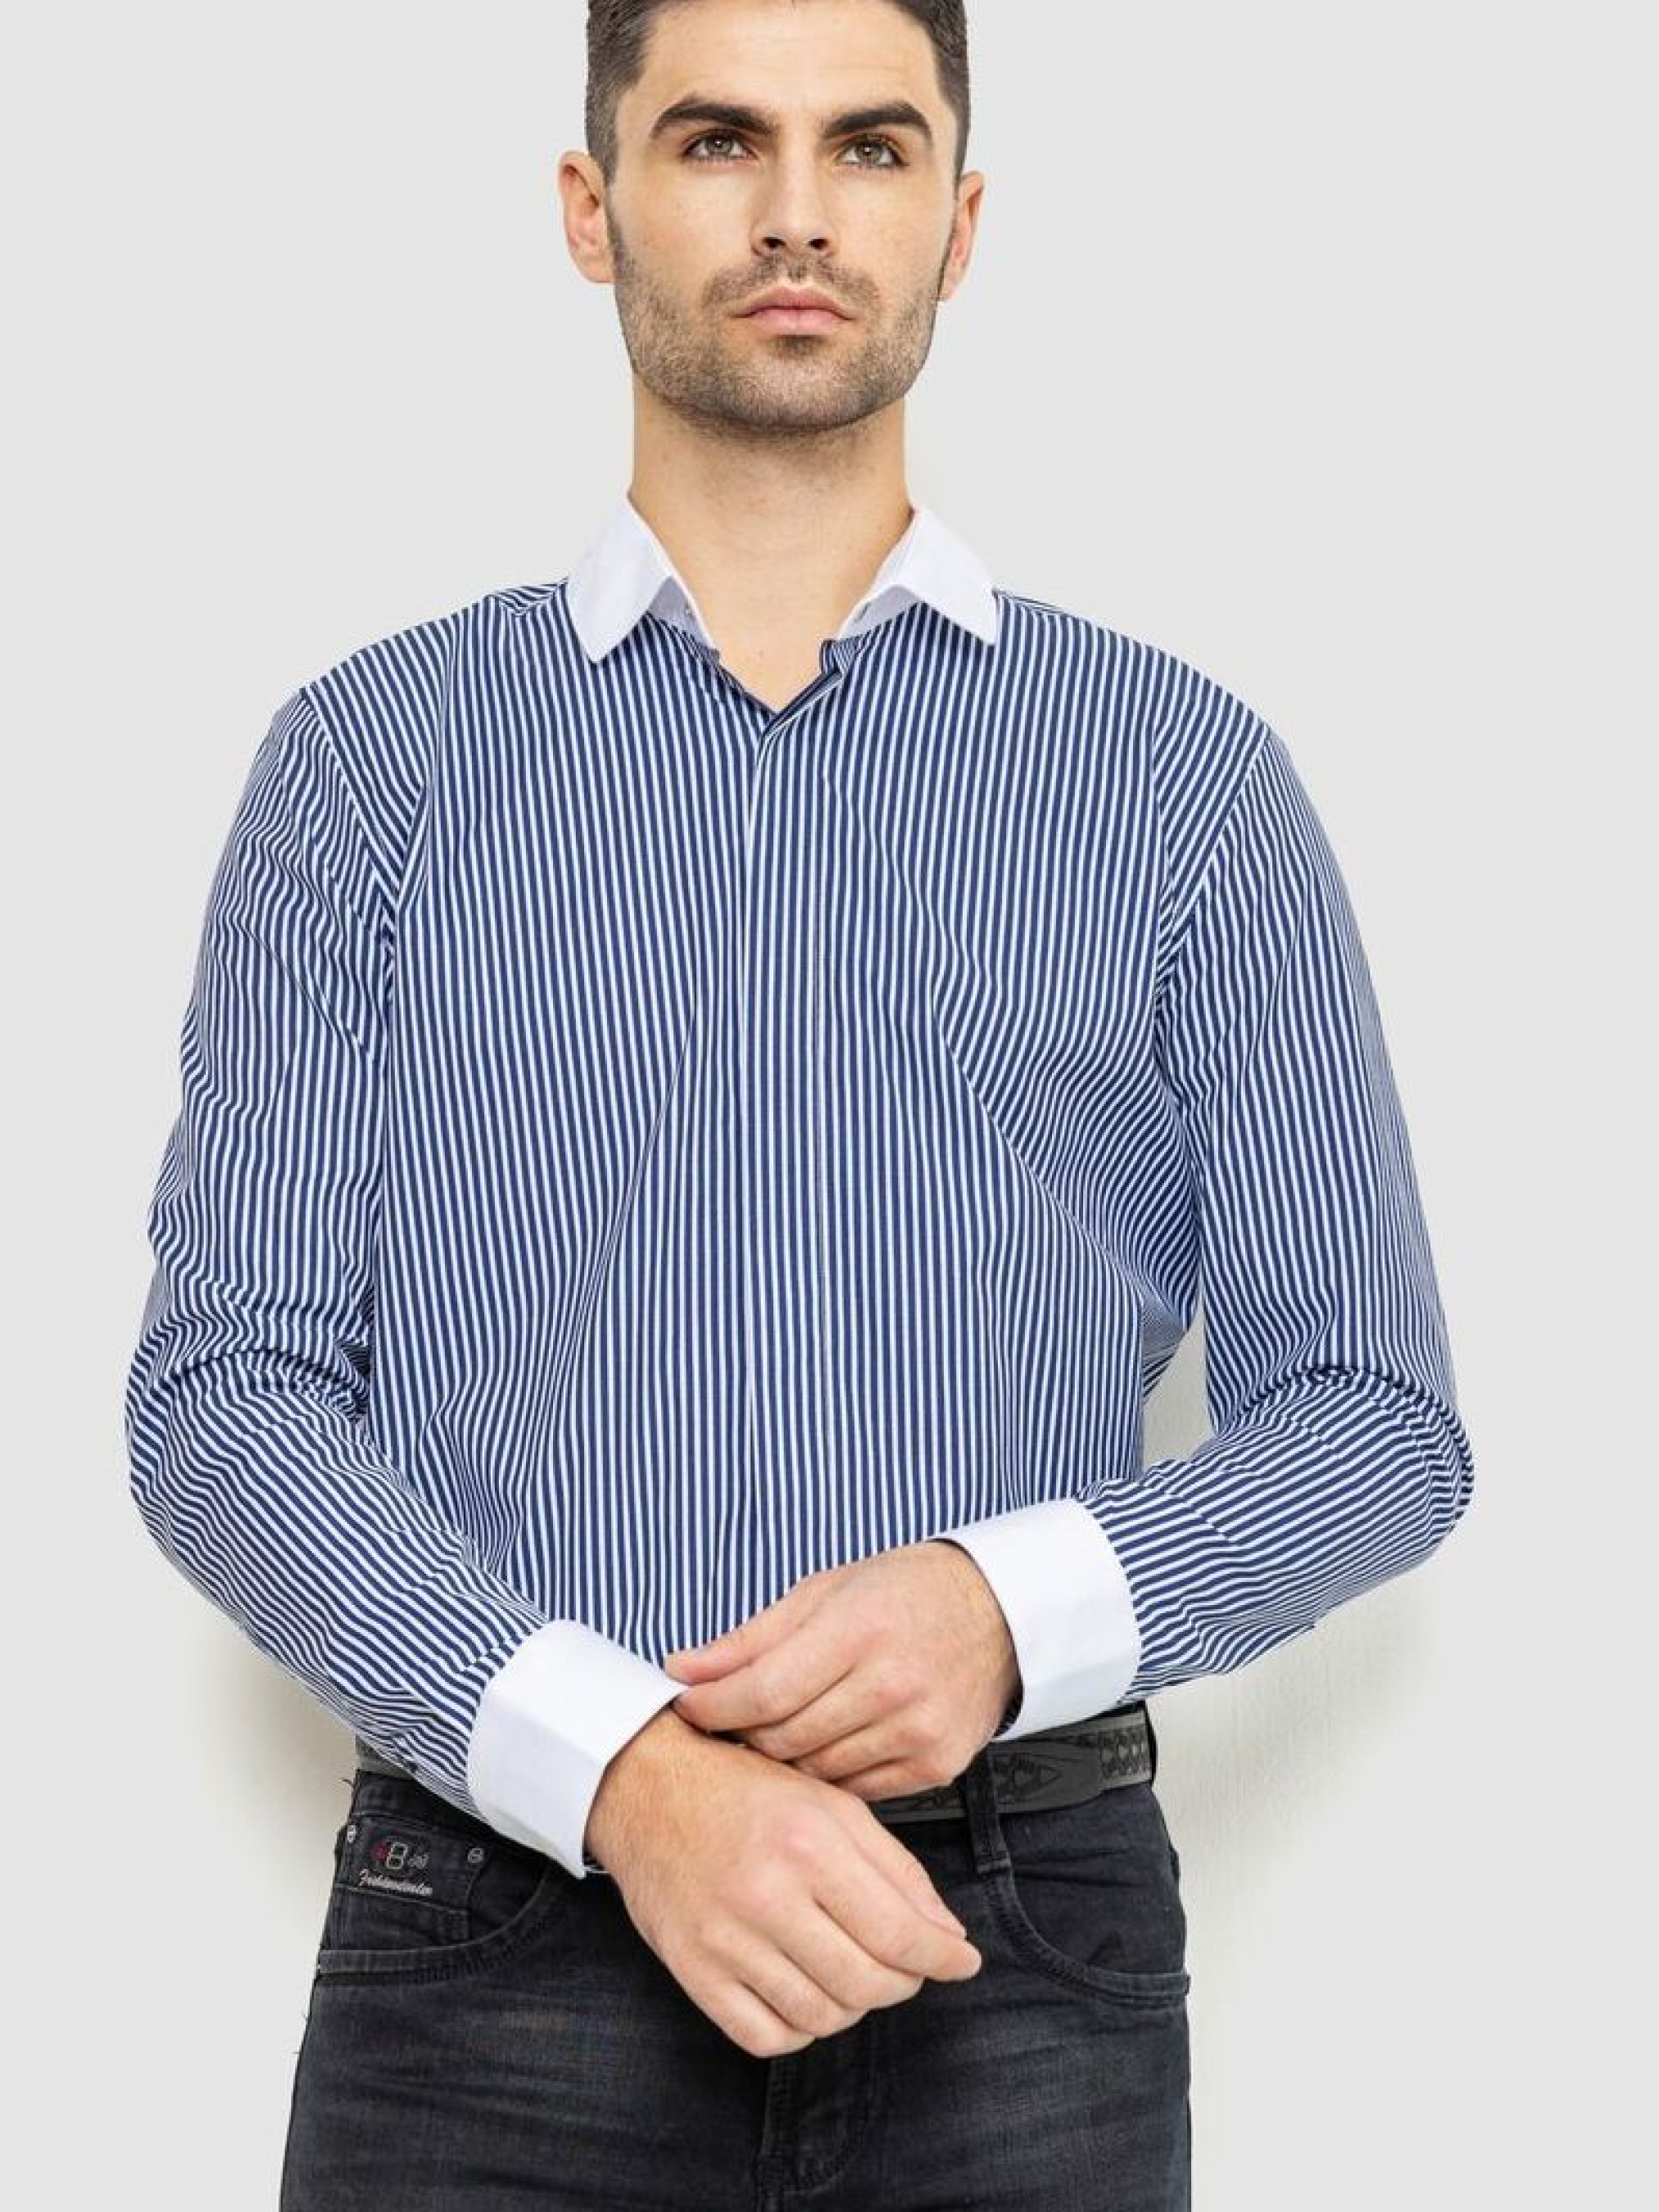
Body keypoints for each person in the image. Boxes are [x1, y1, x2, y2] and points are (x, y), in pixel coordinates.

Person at [123, 2, 1475, 2204]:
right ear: (592, 208)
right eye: (713, 141)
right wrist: (624, 1773)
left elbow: (1377, 1417)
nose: (792, 214)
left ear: (960, 219)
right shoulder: (370, 768)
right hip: (490, 1941)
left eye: (867, 146)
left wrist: (1002, 1607)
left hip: (1014, 1946)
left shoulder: (1183, 779)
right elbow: (221, 1401)